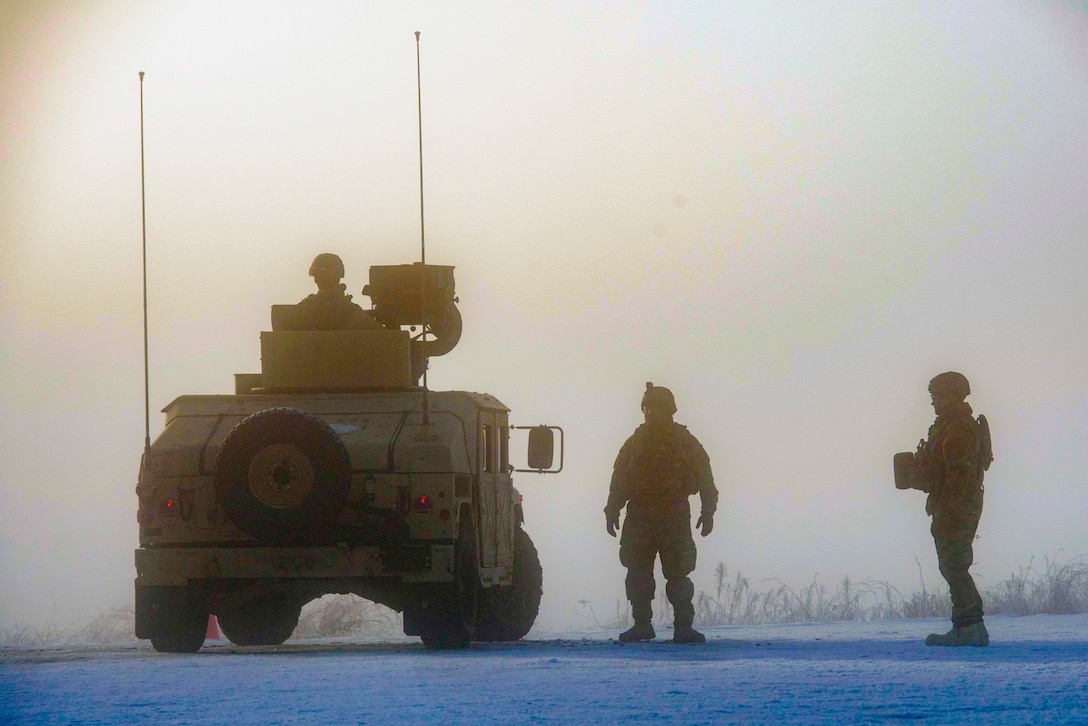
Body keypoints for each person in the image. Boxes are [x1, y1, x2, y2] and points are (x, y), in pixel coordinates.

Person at [604, 382, 718, 644]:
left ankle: (683, 627)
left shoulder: (685, 442)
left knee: (678, 573)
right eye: (646, 408)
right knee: (637, 572)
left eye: (655, 408)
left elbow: (705, 477)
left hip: (674, 515)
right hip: (640, 516)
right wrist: (612, 510)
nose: (649, 413)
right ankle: (642, 624)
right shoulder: (634, 443)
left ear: (669, 411)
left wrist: (708, 510)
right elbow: (619, 480)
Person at [912, 371, 991, 647]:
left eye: (937, 396)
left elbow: (958, 473)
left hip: (955, 504)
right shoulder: (951, 424)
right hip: (956, 502)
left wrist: (948, 507)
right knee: (954, 564)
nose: (933, 402)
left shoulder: (957, 427)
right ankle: (972, 626)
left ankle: (968, 628)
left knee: (953, 564)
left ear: (951, 395)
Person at [294, 253, 382, 331]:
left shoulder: (303, 308)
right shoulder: (351, 311)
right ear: (340, 274)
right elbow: (385, 337)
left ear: (315, 278)